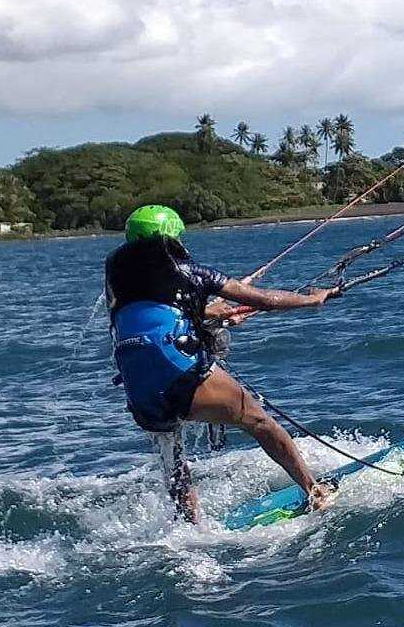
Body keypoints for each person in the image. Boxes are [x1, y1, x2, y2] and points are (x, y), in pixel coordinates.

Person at [105, 204, 339, 523]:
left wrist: (209, 311)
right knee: (260, 423)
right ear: (173, 239)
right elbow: (263, 300)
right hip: (182, 371)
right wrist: (314, 299)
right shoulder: (192, 273)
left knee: (175, 463)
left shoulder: (116, 278)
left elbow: (153, 312)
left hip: (139, 389)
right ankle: (314, 491)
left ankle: (192, 528)